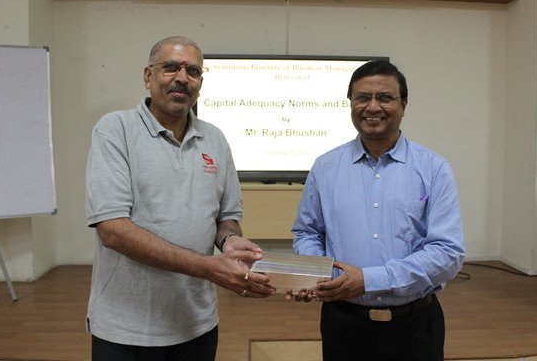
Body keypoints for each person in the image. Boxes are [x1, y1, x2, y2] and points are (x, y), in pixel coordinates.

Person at [85, 36, 275, 361]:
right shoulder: (114, 130)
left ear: (200, 82)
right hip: (125, 329)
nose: (182, 78)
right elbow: (113, 231)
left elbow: (226, 218)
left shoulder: (214, 138)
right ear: (148, 76)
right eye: (171, 67)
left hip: (196, 324)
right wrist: (208, 267)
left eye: (194, 71)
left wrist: (229, 241)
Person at [289, 60, 465, 361]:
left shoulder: (433, 169)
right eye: (362, 97)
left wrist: (369, 280)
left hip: (414, 326)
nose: (372, 107)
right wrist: (318, 273)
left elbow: (447, 252)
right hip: (343, 324)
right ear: (351, 104)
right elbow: (308, 232)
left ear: (404, 104)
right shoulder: (326, 167)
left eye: (384, 97)